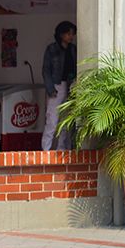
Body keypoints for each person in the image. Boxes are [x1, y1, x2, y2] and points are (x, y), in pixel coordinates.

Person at [41, 20, 77, 151]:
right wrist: (50, 89)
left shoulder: (73, 49)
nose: (71, 36)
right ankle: (46, 149)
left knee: (66, 121)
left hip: (70, 86)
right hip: (57, 86)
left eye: (72, 34)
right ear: (61, 34)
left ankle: (63, 150)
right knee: (52, 120)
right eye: (68, 33)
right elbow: (46, 70)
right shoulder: (52, 49)